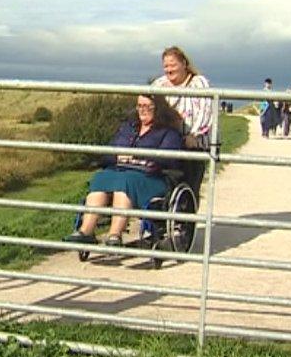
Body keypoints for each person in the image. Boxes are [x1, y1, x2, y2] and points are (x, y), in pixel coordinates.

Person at [64, 94, 184, 246]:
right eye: (139, 106)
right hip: (120, 170)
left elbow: (170, 159)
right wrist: (118, 157)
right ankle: (86, 231)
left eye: (147, 106)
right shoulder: (128, 128)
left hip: (151, 178)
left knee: (125, 182)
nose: (142, 110)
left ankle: (114, 234)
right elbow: (106, 154)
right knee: (100, 178)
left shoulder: (168, 132)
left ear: (158, 108)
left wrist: (138, 156)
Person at [151, 46, 213, 149]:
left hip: (194, 143)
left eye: (173, 65)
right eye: (166, 66)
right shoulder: (158, 84)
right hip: (165, 141)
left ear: (184, 64)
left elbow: (206, 111)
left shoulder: (199, 83)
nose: (169, 70)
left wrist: (193, 135)